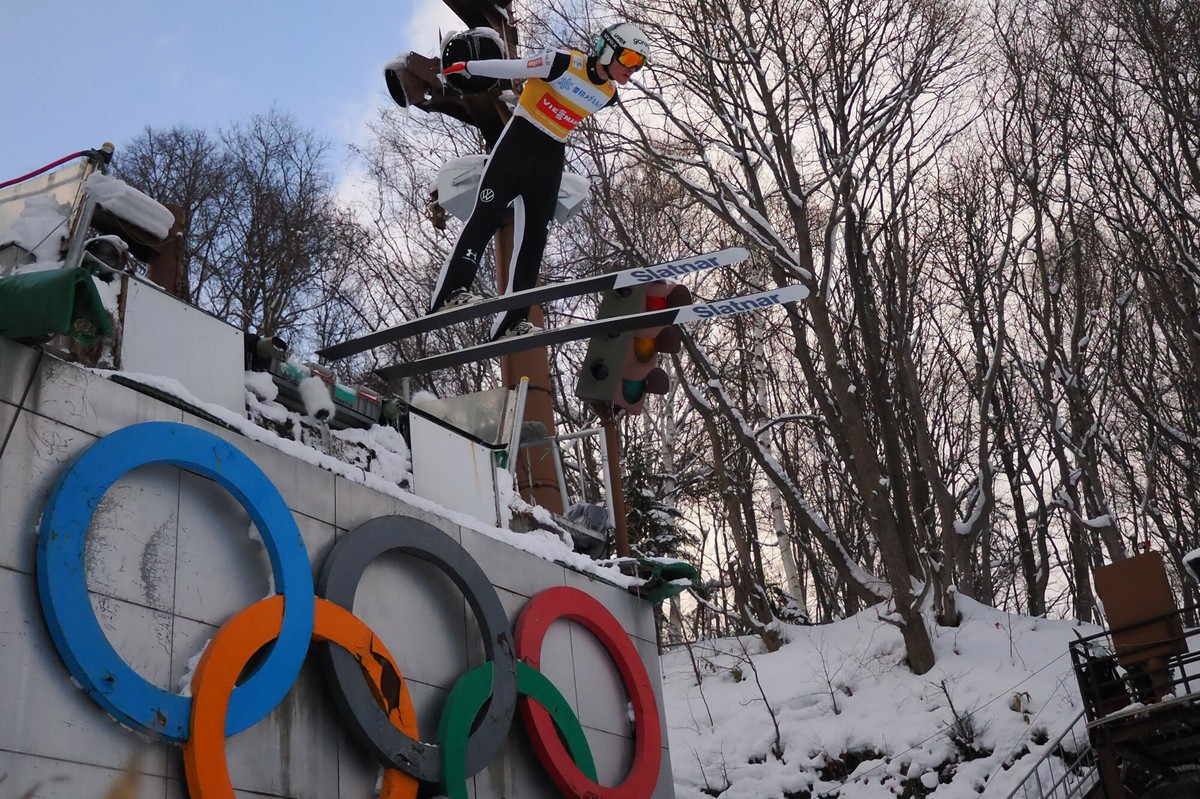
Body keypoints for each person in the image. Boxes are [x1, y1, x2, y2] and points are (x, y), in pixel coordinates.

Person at [430, 22, 651, 340]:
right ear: (607, 48)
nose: (633, 69)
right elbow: (512, 67)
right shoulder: (563, 63)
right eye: (629, 59)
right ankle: (450, 292)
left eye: (639, 64)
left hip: (550, 159)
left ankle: (512, 319)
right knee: (485, 217)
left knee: (535, 239)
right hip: (518, 145)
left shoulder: (608, 94)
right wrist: (466, 67)